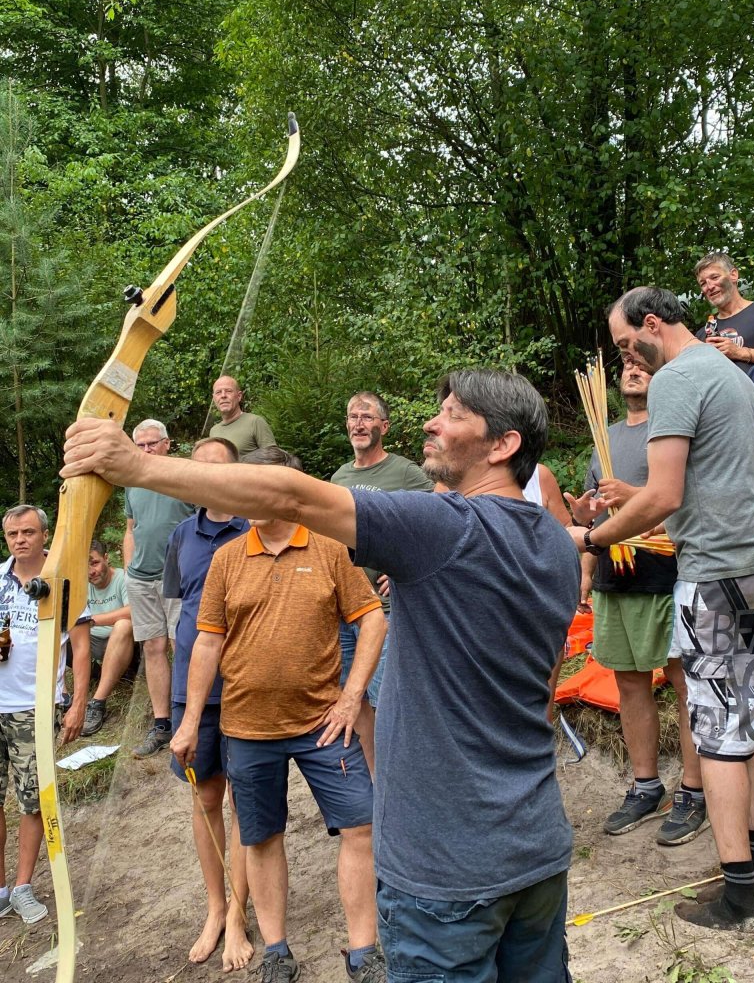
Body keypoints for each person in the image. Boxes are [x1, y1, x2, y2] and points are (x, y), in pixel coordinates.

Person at [62, 368, 581, 981]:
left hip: (446, 874)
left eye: (453, 413)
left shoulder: (445, 529)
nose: (430, 422)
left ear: (503, 445)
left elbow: (291, 496)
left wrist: (140, 468)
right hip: (537, 849)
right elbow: (544, 690)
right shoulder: (555, 541)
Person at [567, 285, 754, 933]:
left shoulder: (678, 378)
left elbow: (663, 496)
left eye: (630, 343)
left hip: (712, 576)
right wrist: (640, 495)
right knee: (744, 725)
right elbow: (707, 481)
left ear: (654, 322)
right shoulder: (726, 372)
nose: (631, 357)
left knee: (716, 738)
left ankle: (738, 896)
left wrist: (594, 537)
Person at [171, 445, 387, 982]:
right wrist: (189, 720)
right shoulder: (226, 559)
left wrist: (351, 696)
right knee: (262, 836)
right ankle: (276, 950)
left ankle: (364, 950)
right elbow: (206, 645)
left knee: (361, 826)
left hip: (323, 722)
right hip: (246, 727)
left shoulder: (330, 549)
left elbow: (372, 618)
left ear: (289, 490)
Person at [566, 360, 705, 844]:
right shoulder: (605, 436)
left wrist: (633, 495)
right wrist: (583, 525)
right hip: (612, 578)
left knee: (683, 681)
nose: (631, 369)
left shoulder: (674, 428)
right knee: (628, 683)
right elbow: (591, 516)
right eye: (624, 364)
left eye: (642, 363)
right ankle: (645, 785)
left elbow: (687, 499)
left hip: (665, 575)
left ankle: (694, 791)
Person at [163, 436, 252, 971]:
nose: (206, 477)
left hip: (246, 686)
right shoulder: (181, 534)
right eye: (197, 470)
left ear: (237, 473)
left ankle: (241, 913)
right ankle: (215, 909)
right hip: (191, 691)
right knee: (206, 799)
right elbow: (183, 612)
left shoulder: (257, 526)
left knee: (247, 802)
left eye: (216, 468)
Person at [331, 391, 433, 772]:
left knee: (389, 699)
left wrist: (409, 562)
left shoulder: (405, 472)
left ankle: (408, 779)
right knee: (353, 702)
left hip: (386, 609)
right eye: (353, 416)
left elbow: (440, 517)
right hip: (344, 609)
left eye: (367, 417)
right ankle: (379, 782)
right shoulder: (339, 477)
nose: (359, 423)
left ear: (384, 427)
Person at [0, 505, 90, 924]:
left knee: (33, 801)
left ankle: (23, 887)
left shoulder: (63, 579)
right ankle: (2, 890)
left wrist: (78, 703)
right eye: (13, 533)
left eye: (28, 532)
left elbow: (83, 647)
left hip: (33, 708)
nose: (20, 540)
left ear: (44, 534)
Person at [125, 419, 195, 758]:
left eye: (152, 444)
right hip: (140, 576)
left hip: (179, 574)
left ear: (167, 444)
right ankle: (162, 723)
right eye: (139, 446)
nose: (146, 450)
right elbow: (131, 528)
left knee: (179, 642)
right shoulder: (132, 480)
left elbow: (203, 520)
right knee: (152, 648)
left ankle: (189, 714)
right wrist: (127, 569)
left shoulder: (183, 475)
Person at [80, 540, 134, 737]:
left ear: (106, 557)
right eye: (84, 566)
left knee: (123, 624)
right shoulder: (81, 584)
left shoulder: (122, 578)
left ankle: (98, 703)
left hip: (123, 642)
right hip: (92, 643)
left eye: (94, 563)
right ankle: (62, 697)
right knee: (62, 628)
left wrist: (91, 620)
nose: (90, 571)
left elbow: (133, 610)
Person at [694, 251, 754, 371]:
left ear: (733, 275)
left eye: (715, 277)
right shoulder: (703, 334)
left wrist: (741, 352)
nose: (709, 286)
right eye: (703, 283)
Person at [209, 376, 276, 457]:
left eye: (228, 391)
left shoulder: (255, 422)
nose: (223, 395)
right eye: (218, 392)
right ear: (214, 398)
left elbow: (274, 459)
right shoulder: (213, 431)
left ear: (239, 396)